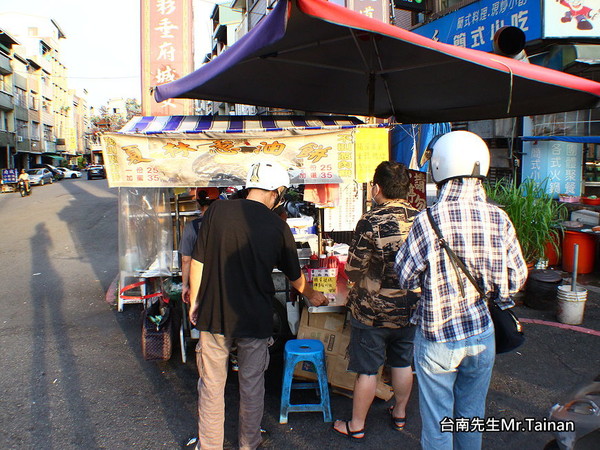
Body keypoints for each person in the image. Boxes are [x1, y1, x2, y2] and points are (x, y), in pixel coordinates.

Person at [394, 131, 528, 449]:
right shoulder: (500, 219)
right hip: (482, 334)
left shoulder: (427, 220)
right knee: (470, 417)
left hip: (437, 336)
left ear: (440, 170)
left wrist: (426, 286)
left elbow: (405, 276)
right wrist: (497, 291)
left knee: (439, 424)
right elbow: (518, 277)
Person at [188, 161, 329, 450]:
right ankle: (248, 443)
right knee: (251, 385)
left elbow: (198, 261)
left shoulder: (217, 211)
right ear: (276, 192)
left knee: (211, 386)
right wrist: (312, 296)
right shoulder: (277, 226)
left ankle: (210, 445)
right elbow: (295, 278)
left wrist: (196, 301)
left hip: (214, 311)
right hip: (255, 315)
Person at [333, 161, 419, 440]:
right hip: (409, 307)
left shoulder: (370, 221)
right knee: (403, 362)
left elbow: (354, 270)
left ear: (377, 188)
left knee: (368, 371)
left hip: (372, 311)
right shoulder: (421, 218)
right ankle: (400, 414)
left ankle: (357, 425)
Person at [179, 189, 217, 304]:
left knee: (199, 316)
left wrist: (185, 286)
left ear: (198, 203)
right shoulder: (226, 225)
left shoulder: (192, 227)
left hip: (198, 282)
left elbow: (186, 260)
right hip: (222, 280)